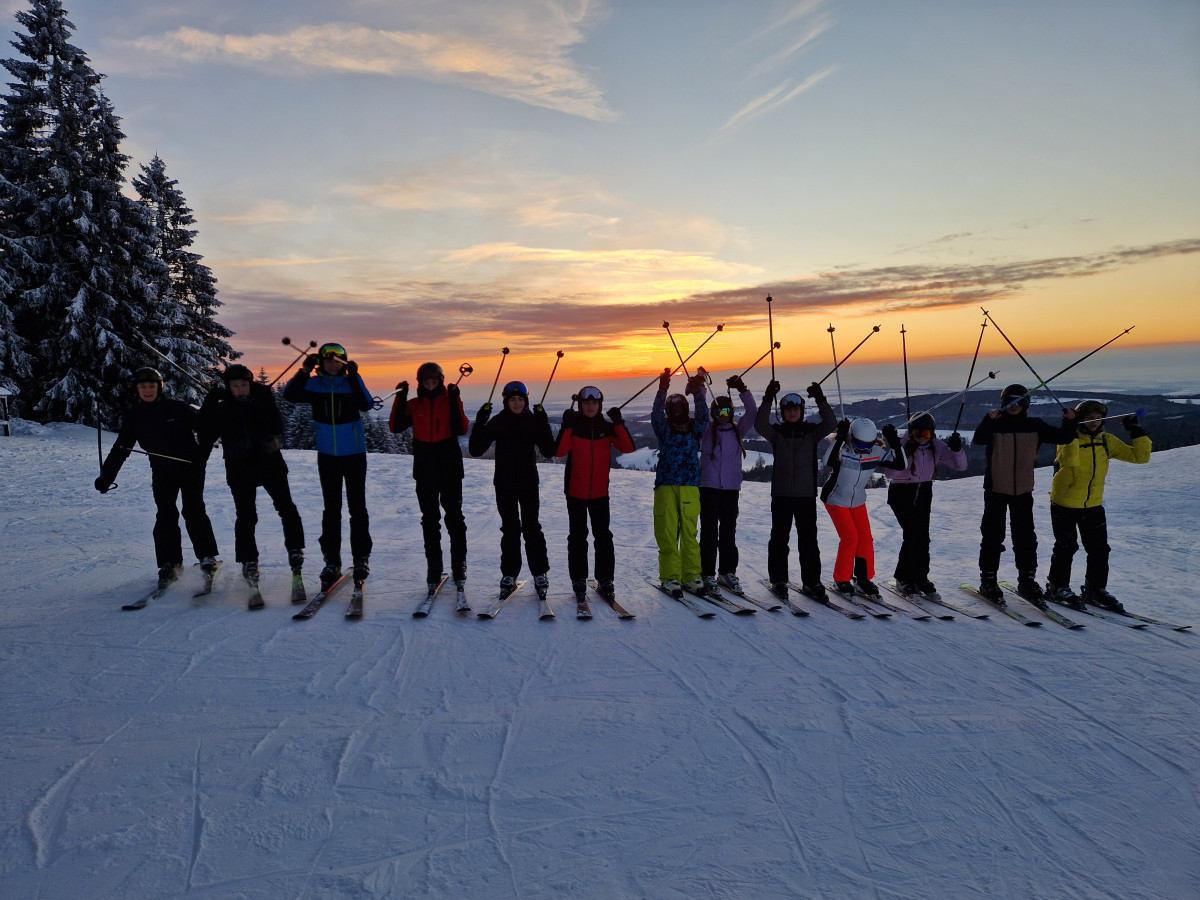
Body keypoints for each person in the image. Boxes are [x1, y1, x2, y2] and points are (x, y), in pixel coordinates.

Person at [94, 367, 219, 585]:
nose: (147, 390)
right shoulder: (135, 416)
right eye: (143, 386)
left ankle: (207, 557)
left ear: (159, 387)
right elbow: (121, 449)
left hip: (191, 467)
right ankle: (170, 563)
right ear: (137, 389)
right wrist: (107, 476)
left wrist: (203, 450)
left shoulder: (177, 407)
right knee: (165, 514)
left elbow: (207, 427)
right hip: (162, 470)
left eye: (152, 386)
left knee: (193, 510)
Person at [198, 364, 304, 581]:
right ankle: (248, 560)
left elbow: (277, 428)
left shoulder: (261, 400)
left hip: (270, 461)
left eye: (244, 385)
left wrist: (266, 402)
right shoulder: (223, 407)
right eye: (235, 386)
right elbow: (206, 436)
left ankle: (295, 549)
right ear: (228, 387)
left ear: (251, 384)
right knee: (246, 515)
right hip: (239, 465)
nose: (240, 389)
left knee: (286, 507)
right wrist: (209, 407)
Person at [971, 384, 1076, 603]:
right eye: (1009, 401)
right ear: (1003, 403)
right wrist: (988, 420)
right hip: (995, 489)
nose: (1014, 405)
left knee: (1026, 538)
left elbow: (1064, 437)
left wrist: (1069, 421)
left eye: (1019, 401)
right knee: (992, 537)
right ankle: (988, 581)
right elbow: (979, 439)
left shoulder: (1035, 425)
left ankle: (1027, 581)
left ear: (1026, 404)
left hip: (1024, 490)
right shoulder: (995, 424)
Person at [1045, 400, 1151, 612]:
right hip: (1064, 503)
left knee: (1099, 550)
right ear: (1080, 420)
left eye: (1097, 418)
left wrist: (1136, 431)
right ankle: (1057, 586)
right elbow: (1069, 461)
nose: (1094, 422)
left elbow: (1140, 457)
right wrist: (1071, 431)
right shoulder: (1068, 438)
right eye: (1089, 418)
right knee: (1066, 547)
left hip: (1093, 504)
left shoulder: (1106, 440)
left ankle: (1095, 589)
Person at [283, 342, 373, 590]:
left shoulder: (350, 382)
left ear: (344, 363)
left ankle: (361, 558)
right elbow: (289, 395)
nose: (333, 364)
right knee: (331, 510)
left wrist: (354, 376)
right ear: (320, 363)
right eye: (328, 360)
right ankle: (331, 561)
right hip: (327, 455)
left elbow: (366, 403)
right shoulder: (315, 384)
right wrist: (304, 371)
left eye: (337, 361)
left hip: (354, 453)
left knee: (357, 508)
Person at [468, 380, 557, 595]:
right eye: (512, 399)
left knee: (531, 528)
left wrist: (544, 424)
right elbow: (476, 450)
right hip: (504, 483)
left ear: (526, 401)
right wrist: (480, 422)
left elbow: (548, 451)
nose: (517, 403)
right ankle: (509, 573)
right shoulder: (498, 421)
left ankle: (539, 573)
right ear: (506, 401)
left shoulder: (533, 421)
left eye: (520, 399)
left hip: (528, 483)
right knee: (510, 529)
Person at [389, 362, 469, 592]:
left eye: (434, 381)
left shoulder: (449, 401)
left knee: (454, 516)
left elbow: (461, 428)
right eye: (427, 382)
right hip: (425, 467)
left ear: (441, 381)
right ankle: (434, 566)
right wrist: (400, 398)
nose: (431, 385)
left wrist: (455, 399)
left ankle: (459, 563)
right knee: (430, 519)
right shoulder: (415, 404)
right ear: (421, 383)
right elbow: (395, 426)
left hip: (450, 466)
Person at [754, 381, 838, 599]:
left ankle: (812, 582)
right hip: (781, 495)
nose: (792, 412)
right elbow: (760, 425)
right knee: (779, 540)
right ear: (782, 412)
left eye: (796, 409)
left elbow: (831, 423)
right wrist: (767, 398)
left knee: (809, 541)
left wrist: (820, 398)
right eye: (788, 409)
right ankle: (778, 580)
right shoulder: (777, 434)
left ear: (801, 411)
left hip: (805, 495)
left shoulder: (810, 433)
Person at [554, 385, 636, 601]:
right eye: (586, 403)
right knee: (577, 537)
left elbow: (628, 447)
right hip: (575, 492)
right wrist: (566, 426)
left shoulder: (606, 428)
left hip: (600, 493)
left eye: (594, 402)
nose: (590, 406)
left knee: (603, 537)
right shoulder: (575, 426)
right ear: (580, 405)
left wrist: (618, 422)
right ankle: (579, 578)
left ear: (600, 405)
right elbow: (559, 451)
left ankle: (605, 578)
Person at [820, 417, 907, 596]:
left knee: (866, 538)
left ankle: (863, 579)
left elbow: (901, 464)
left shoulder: (875, 451)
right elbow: (827, 461)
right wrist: (840, 437)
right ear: (852, 437)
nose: (865, 448)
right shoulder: (844, 450)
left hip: (858, 501)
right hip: (836, 499)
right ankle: (841, 579)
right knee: (850, 538)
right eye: (860, 443)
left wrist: (895, 442)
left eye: (869, 443)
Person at [884, 413, 967, 596]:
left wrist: (956, 450)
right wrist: (900, 450)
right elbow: (890, 474)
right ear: (911, 431)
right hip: (901, 493)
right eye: (918, 432)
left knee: (923, 538)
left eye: (927, 433)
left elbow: (960, 466)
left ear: (932, 433)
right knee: (913, 536)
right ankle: (904, 577)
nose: (922, 437)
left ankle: (920, 577)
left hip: (924, 492)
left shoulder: (936, 446)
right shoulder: (903, 444)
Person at [651, 370, 709, 595]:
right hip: (666, 485)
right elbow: (656, 414)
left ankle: (691, 576)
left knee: (689, 533)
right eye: (672, 407)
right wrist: (662, 389)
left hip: (689, 486)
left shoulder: (695, 428)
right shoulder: (664, 428)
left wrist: (697, 392)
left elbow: (704, 415)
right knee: (667, 532)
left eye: (680, 407)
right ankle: (670, 577)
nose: (676, 411)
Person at [698, 376, 757, 594]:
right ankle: (706, 573)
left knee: (728, 533)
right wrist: (700, 389)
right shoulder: (706, 430)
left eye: (726, 411)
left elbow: (752, 413)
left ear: (731, 412)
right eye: (718, 412)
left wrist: (743, 389)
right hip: (709, 488)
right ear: (713, 413)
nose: (723, 416)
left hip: (731, 490)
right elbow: (701, 413)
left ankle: (726, 572)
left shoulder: (737, 430)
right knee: (709, 533)